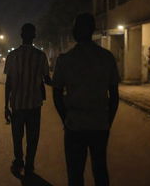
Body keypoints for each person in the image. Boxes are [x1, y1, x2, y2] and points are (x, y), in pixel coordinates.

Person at [52, 13, 119, 186]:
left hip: (75, 124)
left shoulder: (65, 60)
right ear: (93, 30)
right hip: (99, 124)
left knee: (75, 173)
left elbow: (57, 93)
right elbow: (114, 95)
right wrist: (108, 121)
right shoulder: (107, 57)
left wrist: (65, 119)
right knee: (100, 170)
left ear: (75, 31)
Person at [4, 23, 51, 178]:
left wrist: (5, 106)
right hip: (34, 105)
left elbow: (8, 82)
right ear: (34, 36)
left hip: (17, 104)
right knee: (33, 137)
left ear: (21, 35)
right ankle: (29, 163)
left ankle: (18, 160)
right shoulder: (41, 56)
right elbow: (47, 79)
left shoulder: (12, 56)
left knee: (17, 136)